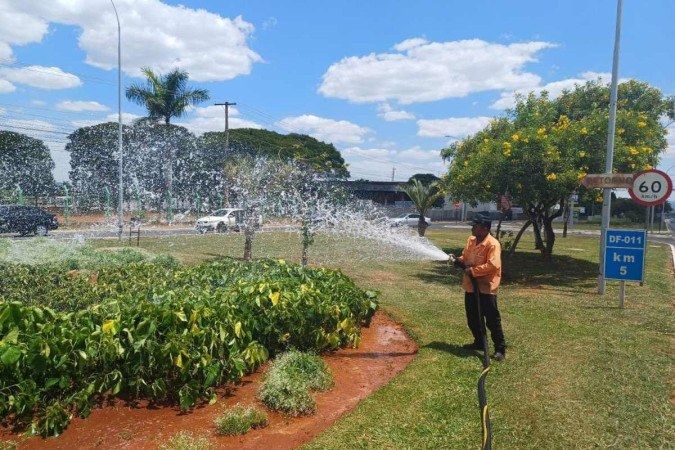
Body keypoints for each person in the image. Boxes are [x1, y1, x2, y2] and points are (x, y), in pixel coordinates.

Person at [451, 217, 506, 361]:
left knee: (492, 319)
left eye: (475, 226)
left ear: (485, 228)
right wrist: (458, 260)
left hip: (486, 287)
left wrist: (473, 271)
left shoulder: (493, 244)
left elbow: (493, 265)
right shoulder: (471, 240)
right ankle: (479, 342)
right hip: (471, 287)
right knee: (473, 318)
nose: (472, 228)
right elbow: (466, 256)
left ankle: (500, 349)